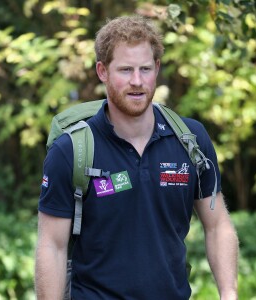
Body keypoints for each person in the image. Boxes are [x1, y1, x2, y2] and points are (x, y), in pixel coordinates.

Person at [35, 15, 239, 300]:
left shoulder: (190, 140)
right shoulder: (71, 152)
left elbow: (217, 225)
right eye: (125, 69)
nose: (136, 81)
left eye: (145, 69)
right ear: (102, 71)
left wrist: (229, 293)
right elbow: (51, 246)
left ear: (157, 68)